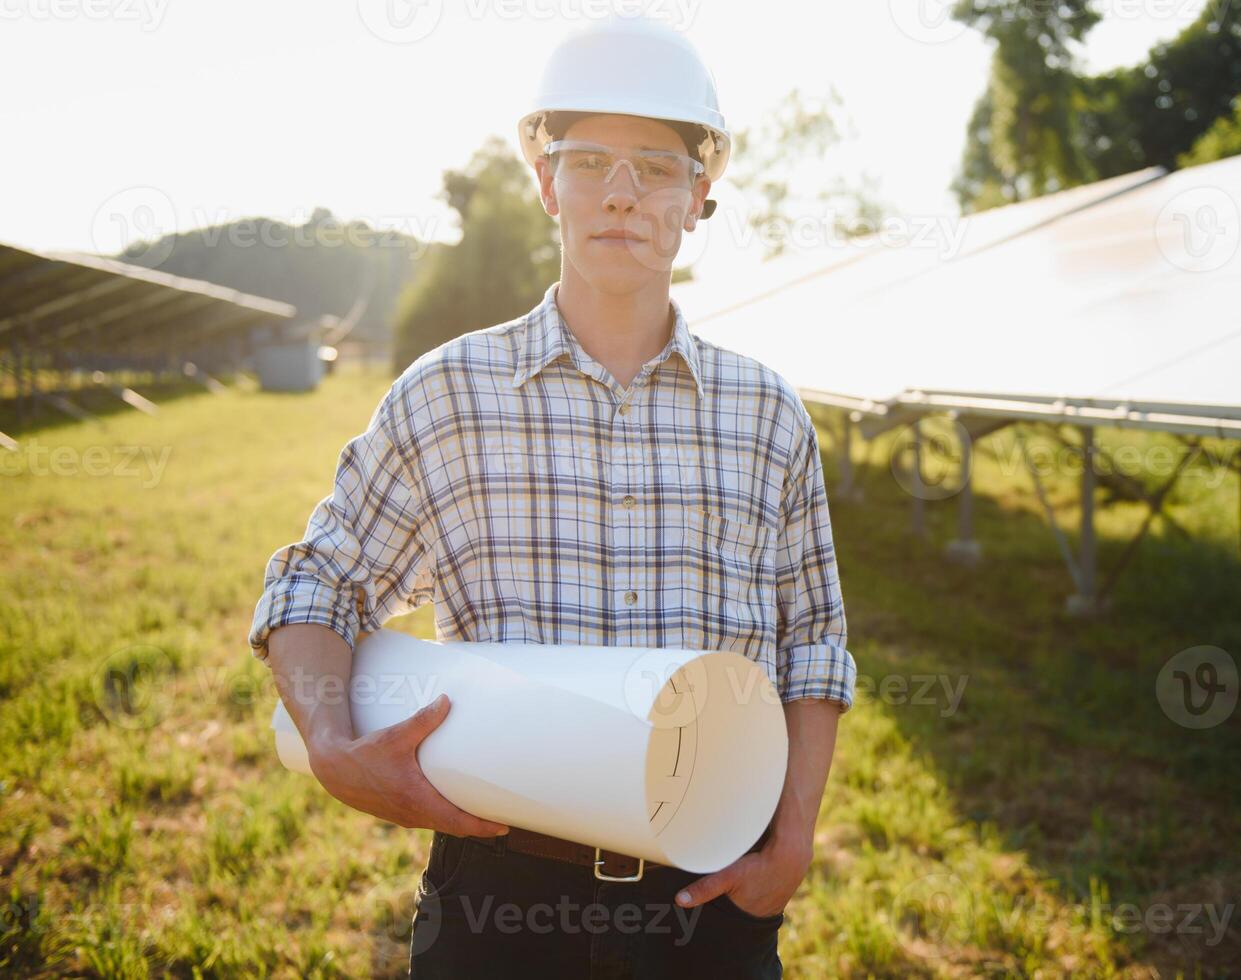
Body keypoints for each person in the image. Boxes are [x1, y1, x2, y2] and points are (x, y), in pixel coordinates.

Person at [246, 15, 857, 978]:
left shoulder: (768, 416)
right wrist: (330, 742)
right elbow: (314, 587)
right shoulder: (446, 396)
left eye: (658, 167)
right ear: (545, 183)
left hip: (711, 899)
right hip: (498, 892)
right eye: (588, 161)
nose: (622, 193)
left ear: (701, 193)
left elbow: (813, 641)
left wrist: (793, 842)